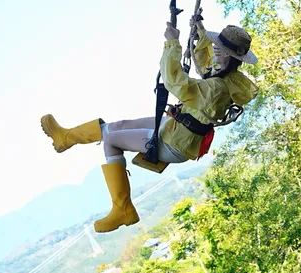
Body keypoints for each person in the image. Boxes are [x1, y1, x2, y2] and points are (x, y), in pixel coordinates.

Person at [40, 18, 258, 233]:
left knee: (111, 141)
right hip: (176, 126)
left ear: (230, 55)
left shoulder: (217, 88)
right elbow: (204, 63)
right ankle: (66, 137)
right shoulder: (225, 75)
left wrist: (172, 43)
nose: (215, 49)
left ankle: (122, 208)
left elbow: (174, 81)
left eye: (219, 48)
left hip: (176, 142)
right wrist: (199, 32)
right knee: (118, 126)